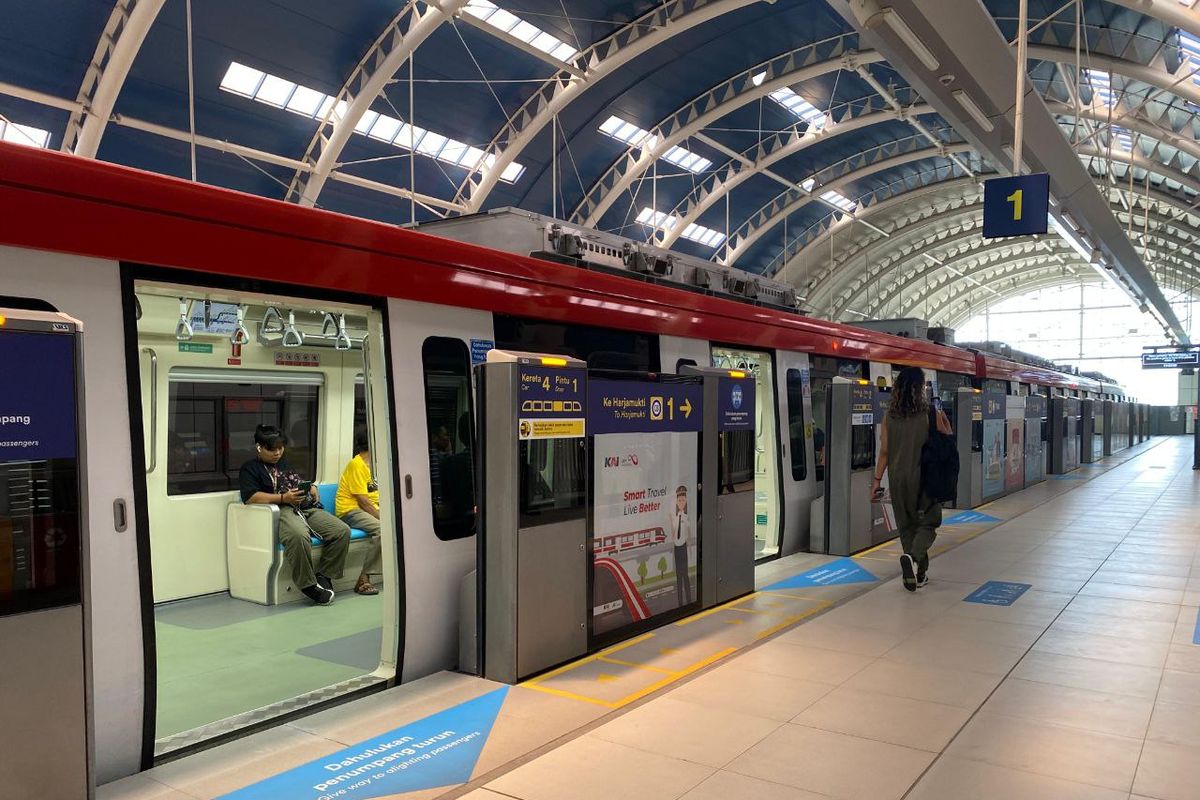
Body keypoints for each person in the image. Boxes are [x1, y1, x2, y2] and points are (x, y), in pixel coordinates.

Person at [239, 424, 349, 605]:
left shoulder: (284, 463)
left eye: (280, 448)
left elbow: (296, 481)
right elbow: (251, 497)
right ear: (259, 448)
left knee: (341, 530)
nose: (277, 453)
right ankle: (308, 584)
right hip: (279, 509)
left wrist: (311, 487)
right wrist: (283, 498)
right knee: (298, 535)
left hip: (302, 506)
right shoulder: (249, 469)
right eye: (272, 449)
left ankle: (325, 574)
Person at [870, 367, 952, 592]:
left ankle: (919, 573)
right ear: (920, 388)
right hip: (924, 478)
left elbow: (884, 452)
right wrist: (945, 422)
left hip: (897, 478)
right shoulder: (929, 413)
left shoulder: (889, 416)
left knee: (907, 526)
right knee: (929, 522)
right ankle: (914, 557)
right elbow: (946, 439)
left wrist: (876, 481)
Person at [335, 427, 384, 595]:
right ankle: (364, 578)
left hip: (369, 508)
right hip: (350, 510)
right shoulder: (356, 465)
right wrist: (383, 518)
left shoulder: (374, 466)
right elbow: (363, 501)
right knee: (382, 529)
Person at [671, 485, 692, 606]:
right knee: (678, 577)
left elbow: (688, 533)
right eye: (679, 500)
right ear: (676, 502)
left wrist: (689, 548)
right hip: (676, 547)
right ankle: (680, 602)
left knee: (685, 575)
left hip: (683, 546)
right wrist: (671, 522)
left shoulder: (686, 517)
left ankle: (689, 600)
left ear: (686, 501)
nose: (681, 502)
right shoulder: (675, 518)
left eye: (683, 500)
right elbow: (674, 534)